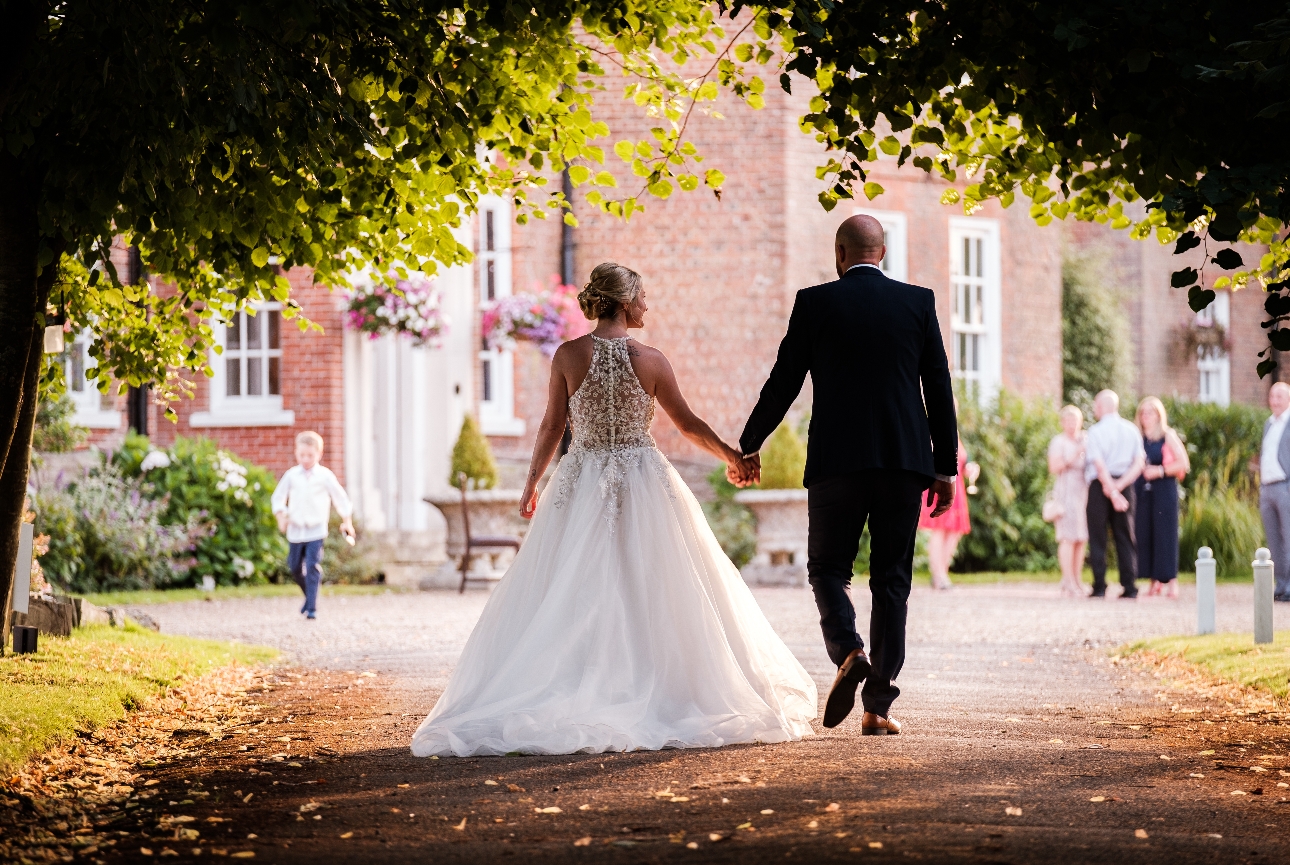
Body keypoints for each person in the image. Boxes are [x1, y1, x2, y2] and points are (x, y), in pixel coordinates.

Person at [411, 263, 816, 757]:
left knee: (574, 581)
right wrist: (734, 456)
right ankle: (652, 682)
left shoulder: (567, 354)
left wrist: (532, 482)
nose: (647, 305)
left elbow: (551, 427)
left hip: (581, 479)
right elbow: (686, 424)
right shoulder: (650, 360)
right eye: (643, 297)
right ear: (625, 303)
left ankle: (581, 676)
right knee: (653, 581)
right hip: (643, 479)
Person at [736, 214, 958, 734]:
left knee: (828, 570)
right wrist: (944, 466)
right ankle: (878, 706)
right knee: (892, 581)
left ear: (840, 253)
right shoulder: (917, 302)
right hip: (905, 463)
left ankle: (847, 650)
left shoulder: (815, 303)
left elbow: (783, 380)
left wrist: (748, 445)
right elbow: (939, 390)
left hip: (837, 462)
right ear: (882, 252)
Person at [270, 431, 354, 620]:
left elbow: (340, 498)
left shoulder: (325, 476)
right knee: (294, 566)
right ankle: (309, 597)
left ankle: (312, 608)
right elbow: (278, 497)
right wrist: (281, 516)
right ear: (296, 453)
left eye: (310, 455)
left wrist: (346, 521)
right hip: (296, 530)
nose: (306, 459)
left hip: (316, 530)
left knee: (312, 565)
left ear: (319, 454)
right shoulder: (292, 476)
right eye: (302, 455)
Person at [1084, 390, 1146, 599]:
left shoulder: (1094, 431)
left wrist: (1111, 490)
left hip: (1100, 487)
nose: (1094, 409)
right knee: (1125, 536)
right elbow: (1139, 463)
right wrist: (1119, 488)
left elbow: (1099, 465)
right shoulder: (1132, 430)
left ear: (1101, 407)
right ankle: (1130, 586)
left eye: (1095, 405)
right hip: (1124, 485)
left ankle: (1100, 586)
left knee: (1098, 536)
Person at [1134, 397, 1190, 598]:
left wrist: (1160, 471)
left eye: (1150, 412)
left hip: (1164, 489)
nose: (1146, 416)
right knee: (1145, 534)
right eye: (1143, 412)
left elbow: (1183, 463)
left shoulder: (1168, 436)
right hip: (1143, 492)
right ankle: (1153, 581)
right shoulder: (1138, 438)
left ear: (1159, 415)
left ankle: (1172, 582)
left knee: (1165, 535)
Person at [918, 435, 978, 591]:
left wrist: (971, 468)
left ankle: (943, 573)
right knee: (939, 529)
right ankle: (938, 576)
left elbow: (964, 462)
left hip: (957, 489)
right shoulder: (932, 432)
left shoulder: (956, 435)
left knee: (954, 532)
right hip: (941, 485)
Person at [1048, 405, 1090, 597]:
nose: (1072, 424)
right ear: (1062, 423)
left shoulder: (1086, 439)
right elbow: (1054, 467)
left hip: (1083, 492)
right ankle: (1068, 579)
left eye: (1076, 420)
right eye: (1068, 420)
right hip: (1066, 493)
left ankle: (1077, 579)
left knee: (1081, 538)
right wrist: (1076, 453)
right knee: (1067, 537)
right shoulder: (1059, 442)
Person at [1259, 381, 1290, 602]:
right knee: (1274, 539)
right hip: (1267, 488)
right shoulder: (1269, 423)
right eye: (1272, 396)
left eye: (1279, 396)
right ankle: (1281, 585)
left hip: (1285, 485)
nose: (1275, 401)